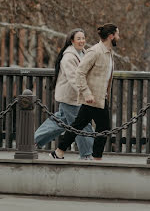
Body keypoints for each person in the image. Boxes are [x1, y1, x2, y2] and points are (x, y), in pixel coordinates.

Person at [50, 23, 119, 160]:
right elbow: (80, 72)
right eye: (117, 34)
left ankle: (59, 151)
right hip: (93, 97)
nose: (119, 37)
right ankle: (96, 158)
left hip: (98, 97)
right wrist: (86, 93)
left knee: (78, 125)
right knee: (103, 127)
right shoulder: (95, 52)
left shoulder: (108, 52)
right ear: (111, 36)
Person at [34, 28, 95, 160]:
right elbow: (73, 79)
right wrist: (85, 93)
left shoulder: (83, 53)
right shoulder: (68, 57)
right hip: (71, 98)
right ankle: (86, 155)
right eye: (78, 38)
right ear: (72, 40)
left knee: (60, 122)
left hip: (75, 97)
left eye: (83, 38)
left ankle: (34, 141)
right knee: (83, 125)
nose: (82, 41)